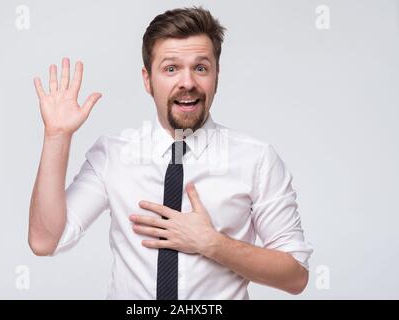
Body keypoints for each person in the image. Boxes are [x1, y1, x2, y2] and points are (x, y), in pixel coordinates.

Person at [29, 6, 313, 299]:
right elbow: (44, 241)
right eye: (171, 68)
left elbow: (295, 276)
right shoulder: (113, 155)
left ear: (217, 75)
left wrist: (212, 243)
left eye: (201, 68)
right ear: (148, 80)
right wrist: (57, 137)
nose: (187, 82)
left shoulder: (256, 160)